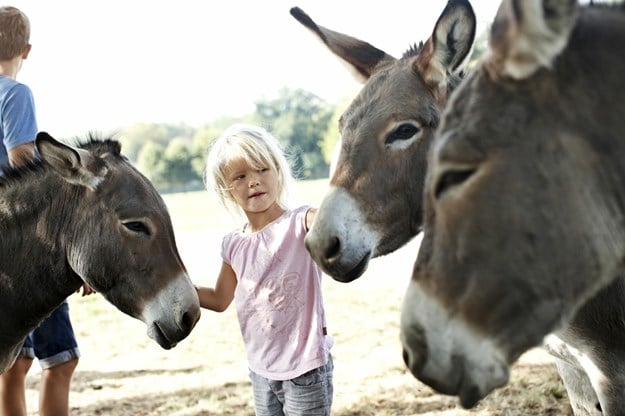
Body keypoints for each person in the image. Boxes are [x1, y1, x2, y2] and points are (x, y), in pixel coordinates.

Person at [196, 124, 334, 416]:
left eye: (262, 170)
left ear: (278, 171)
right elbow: (220, 299)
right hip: (262, 371)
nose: (254, 182)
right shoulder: (233, 244)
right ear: (227, 188)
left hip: (306, 368)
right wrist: (181, 292)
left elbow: (329, 221)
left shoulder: (300, 222)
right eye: (241, 176)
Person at [0, 6, 93, 416]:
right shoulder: (15, 93)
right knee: (62, 358)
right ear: (27, 49)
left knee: (15, 361)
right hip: (27, 243)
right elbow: (21, 158)